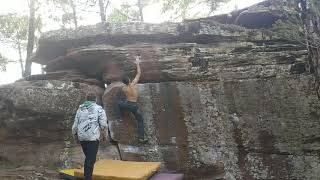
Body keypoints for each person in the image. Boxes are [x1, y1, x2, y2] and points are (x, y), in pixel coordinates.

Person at [72, 93, 108, 180]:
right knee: (90, 160)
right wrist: (104, 135)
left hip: (82, 137)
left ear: (86, 99)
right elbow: (103, 124)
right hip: (93, 137)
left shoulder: (80, 109)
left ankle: (87, 176)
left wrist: (75, 136)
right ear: (95, 99)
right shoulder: (99, 109)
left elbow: (75, 125)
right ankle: (88, 178)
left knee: (88, 158)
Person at [118, 55, 146, 143]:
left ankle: (120, 115)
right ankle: (141, 138)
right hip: (135, 106)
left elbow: (122, 88)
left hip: (127, 104)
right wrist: (137, 63)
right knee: (140, 121)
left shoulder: (123, 88)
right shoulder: (134, 84)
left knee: (118, 103)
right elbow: (138, 73)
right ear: (129, 80)